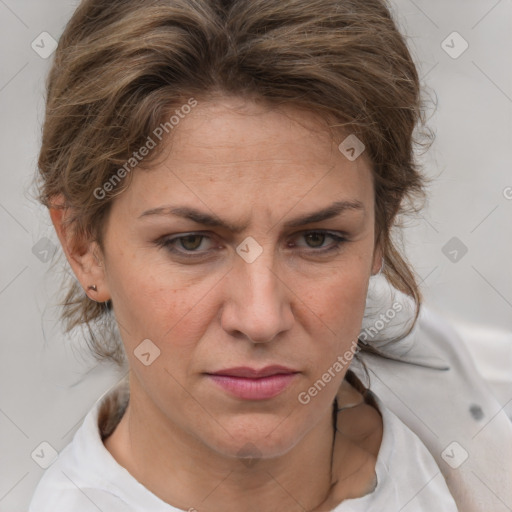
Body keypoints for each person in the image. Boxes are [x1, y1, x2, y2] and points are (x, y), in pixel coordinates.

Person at [28, 0, 512, 511]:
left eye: (317, 238)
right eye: (191, 242)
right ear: (83, 246)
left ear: (380, 231)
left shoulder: (466, 403)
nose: (260, 319)